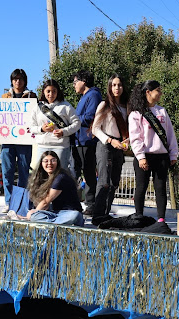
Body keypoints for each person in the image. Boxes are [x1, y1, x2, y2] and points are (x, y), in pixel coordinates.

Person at [128, 80, 178, 228]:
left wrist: (173, 154)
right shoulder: (136, 114)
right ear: (148, 92)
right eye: (158, 90)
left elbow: (170, 134)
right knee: (141, 187)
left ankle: (161, 219)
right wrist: (141, 156)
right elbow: (135, 137)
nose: (160, 93)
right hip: (144, 156)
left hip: (161, 156)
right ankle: (139, 216)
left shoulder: (162, 111)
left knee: (160, 187)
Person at [91, 73, 130, 225]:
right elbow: (95, 129)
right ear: (109, 87)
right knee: (104, 181)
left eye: (119, 85)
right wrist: (110, 140)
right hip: (105, 145)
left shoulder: (126, 107)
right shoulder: (104, 105)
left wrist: (126, 140)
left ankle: (106, 214)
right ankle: (98, 215)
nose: (117, 88)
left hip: (120, 146)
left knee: (114, 181)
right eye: (114, 85)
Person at [0, 69, 37, 213]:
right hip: (7, 140)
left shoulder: (32, 96)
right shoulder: (5, 97)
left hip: (24, 139)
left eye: (20, 79)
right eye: (15, 79)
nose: (17, 82)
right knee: (7, 171)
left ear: (25, 81)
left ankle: (21, 203)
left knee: (23, 172)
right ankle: (8, 202)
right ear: (12, 81)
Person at [30, 79, 80, 172]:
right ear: (43, 92)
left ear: (58, 92)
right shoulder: (37, 107)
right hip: (42, 146)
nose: (51, 94)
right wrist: (41, 128)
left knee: (60, 174)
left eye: (54, 91)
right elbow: (31, 127)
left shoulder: (65, 106)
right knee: (42, 175)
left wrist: (63, 131)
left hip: (60, 146)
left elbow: (77, 123)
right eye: (48, 91)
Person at [25, 151, 84, 226]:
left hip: (69, 213)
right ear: (41, 163)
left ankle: (51, 224)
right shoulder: (43, 178)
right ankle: (56, 224)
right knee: (35, 216)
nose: (49, 163)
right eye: (46, 161)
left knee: (75, 216)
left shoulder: (61, 177)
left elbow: (46, 201)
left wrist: (35, 212)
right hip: (56, 214)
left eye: (53, 160)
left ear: (57, 162)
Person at [72, 70, 102, 216]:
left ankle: (91, 204)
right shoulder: (85, 96)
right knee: (76, 171)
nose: (74, 85)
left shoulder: (94, 95)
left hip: (87, 140)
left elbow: (90, 117)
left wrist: (73, 120)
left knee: (89, 173)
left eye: (75, 82)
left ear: (83, 81)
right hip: (79, 139)